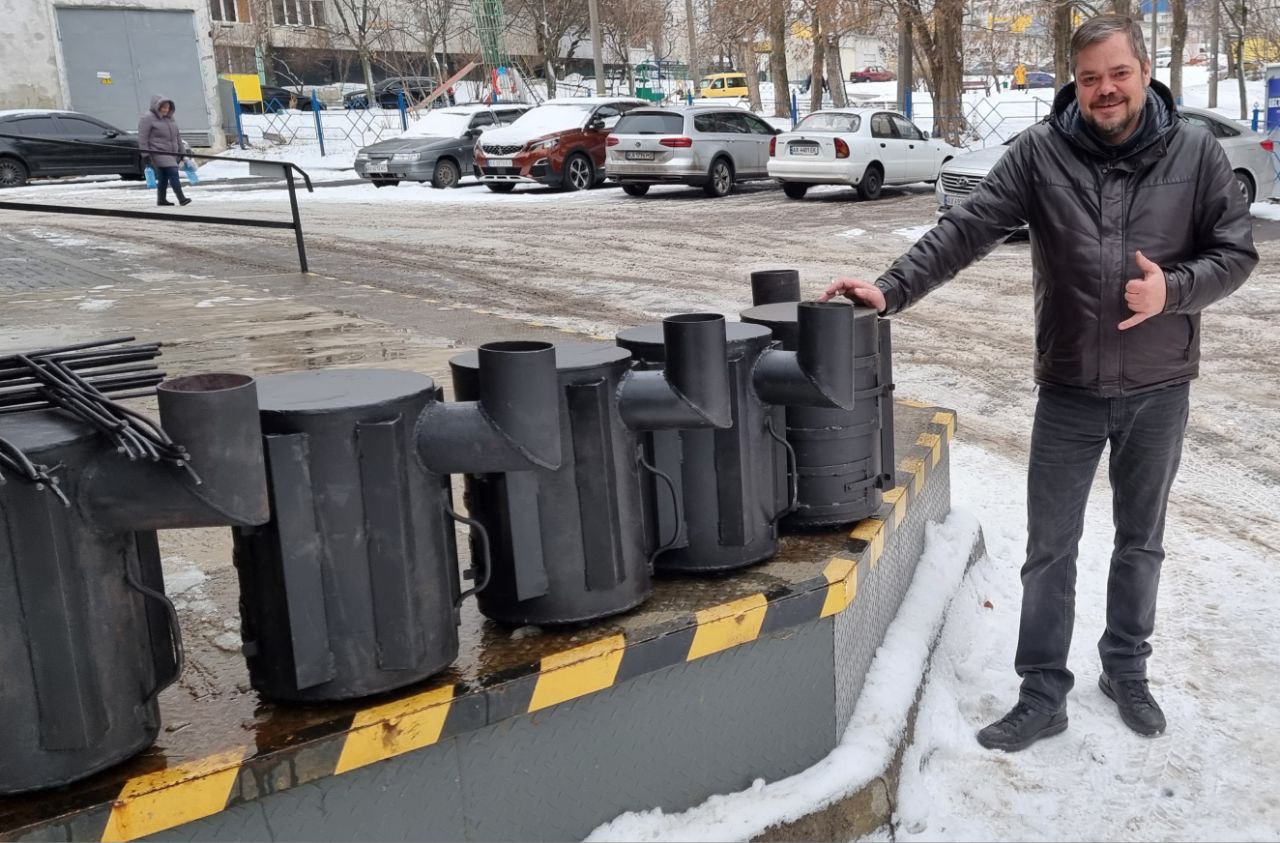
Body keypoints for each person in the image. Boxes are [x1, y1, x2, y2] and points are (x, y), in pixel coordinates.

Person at [822, 15, 1256, 752]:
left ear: (1145, 72)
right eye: (1090, 78)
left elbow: (1236, 252)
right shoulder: (1040, 153)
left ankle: (1126, 669)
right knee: (1050, 548)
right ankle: (1042, 692)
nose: (1105, 90)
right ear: (1074, 83)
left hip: (1159, 386)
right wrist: (890, 288)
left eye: (1118, 74)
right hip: (1070, 387)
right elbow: (967, 228)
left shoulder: (1195, 151)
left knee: (1140, 541)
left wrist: (1174, 290)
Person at [138, 96, 191, 207]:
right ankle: (181, 198)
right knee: (173, 170)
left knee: (163, 177)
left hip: (172, 153)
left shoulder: (170, 118)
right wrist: (145, 154)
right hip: (158, 152)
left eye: (168, 107)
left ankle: (161, 200)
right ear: (156, 106)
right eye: (163, 107)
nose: (166, 110)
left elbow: (177, 137)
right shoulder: (147, 118)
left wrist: (182, 153)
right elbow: (143, 137)